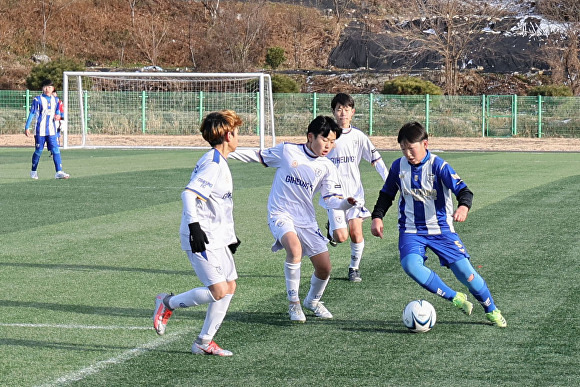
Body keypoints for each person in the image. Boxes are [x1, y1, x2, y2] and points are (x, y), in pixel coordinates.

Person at [370, 122, 507, 328]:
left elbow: (464, 191)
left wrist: (463, 207)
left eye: (411, 148)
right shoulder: (399, 166)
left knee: (466, 274)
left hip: (441, 230)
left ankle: (491, 309)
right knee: (410, 266)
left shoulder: (439, 166)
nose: (407, 153)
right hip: (411, 230)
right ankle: (455, 297)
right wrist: (377, 216)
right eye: (403, 149)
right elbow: (387, 194)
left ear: (425, 143)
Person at [230, 116, 358, 323]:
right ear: (310, 136)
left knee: (324, 268)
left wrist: (346, 204)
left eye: (333, 142)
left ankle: (312, 301)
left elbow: (331, 200)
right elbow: (258, 156)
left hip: (305, 219)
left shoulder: (327, 167)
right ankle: (294, 303)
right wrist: (226, 151)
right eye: (325, 140)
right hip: (280, 213)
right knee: (294, 249)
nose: (328, 146)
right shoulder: (287, 151)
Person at [153, 110, 243, 356]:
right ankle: (167, 303)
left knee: (230, 286)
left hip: (217, 237)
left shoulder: (219, 161)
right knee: (219, 291)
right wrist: (194, 227)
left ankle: (204, 342)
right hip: (201, 237)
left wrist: (230, 236)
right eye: (236, 132)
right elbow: (189, 194)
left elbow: (219, 205)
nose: (238, 136)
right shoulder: (214, 164)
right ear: (226, 135)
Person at [323, 92, 389, 282]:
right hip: (334, 196)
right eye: (338, 109)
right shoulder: (328, 136)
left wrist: (388, 180)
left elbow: (376, 159)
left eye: (346, 109)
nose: (342, 113)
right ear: (334, 112)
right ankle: (332, 231)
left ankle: (354, 268)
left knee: (356, 232)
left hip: (354, 193)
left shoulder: (359, 137)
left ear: (352, 112)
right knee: (341, 237)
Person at [25, 79, 70, 179]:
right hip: (40, 130)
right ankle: (33, 171)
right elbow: (32, 113)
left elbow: (58, 111)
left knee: (55, 150)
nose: (47, 89)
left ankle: (59, 171)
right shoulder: (37, 100)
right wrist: (27, 127)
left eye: (49, 87)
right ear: (42, 88)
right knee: (38, 151)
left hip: (52, 130)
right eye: (45, 87)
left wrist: (58, 115)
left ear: (53, 88)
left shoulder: (56, 100)